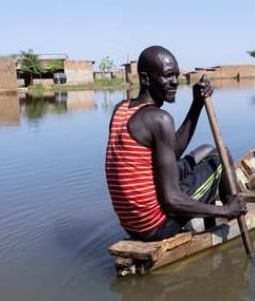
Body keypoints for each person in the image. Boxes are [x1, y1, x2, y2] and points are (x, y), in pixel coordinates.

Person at [105, 45, 247, 241]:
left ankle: (224, 208)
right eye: (168, 76)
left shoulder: (121, 109)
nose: (175, 82)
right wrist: (224, 210)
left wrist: (196, 104)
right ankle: (233, 212)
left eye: (177, 76)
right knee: (221, 157)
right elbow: (171, 200)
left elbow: (171, 155)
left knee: (206, 150)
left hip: (132, 225)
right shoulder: (159, 119)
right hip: (157, 225)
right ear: (146, 79)